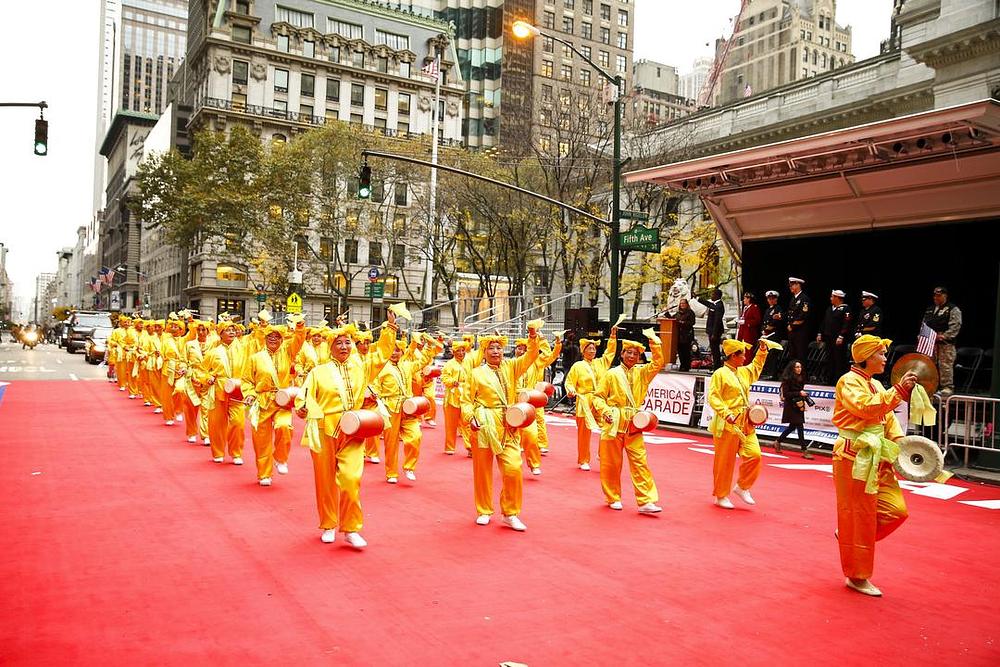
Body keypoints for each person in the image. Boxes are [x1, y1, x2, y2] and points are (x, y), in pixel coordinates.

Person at [294, 314, 399, 548]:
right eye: (338, 343)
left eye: (347, 342)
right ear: (330, 347)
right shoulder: (318, 372)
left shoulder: (361, 367)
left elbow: (381, 354)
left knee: (351, 479)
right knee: (325, 481)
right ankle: (328, 524)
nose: (343, 347)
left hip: (353, 429)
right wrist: (302, 408)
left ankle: (351, 528)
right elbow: (304, 397)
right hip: (324, 430)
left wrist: (390, 328)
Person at [832, 335, 918, 597]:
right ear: (866, 357)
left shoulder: (877, 384)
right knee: (859, 517)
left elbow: (888, 420)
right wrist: (898, 391)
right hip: (854, 456)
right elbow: (865, 408)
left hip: (878, 454)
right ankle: (857, 577)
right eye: (880, 354)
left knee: (896, 511)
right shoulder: (848, 381)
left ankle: (849, 536)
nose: (884, 359)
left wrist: (901, 444)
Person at [462, 329, 540, 530]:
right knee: (482, 470)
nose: (496, 351)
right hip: (484, 423)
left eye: (499, 347)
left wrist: (533, 337)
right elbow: (466, 401)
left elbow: (531, 355)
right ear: (484, 351)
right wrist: (470, 418)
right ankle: (484, 510)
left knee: (513, 468)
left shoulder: (511, 366)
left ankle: (510, 512)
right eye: (491, 348)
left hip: (508, 423)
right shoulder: (476, 373)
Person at [591, 332, 666, 513]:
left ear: (640, 357)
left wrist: (655, 344)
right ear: (622, 354)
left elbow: (658, 363)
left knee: (640, 461)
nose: (632, 356)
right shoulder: (612, 374)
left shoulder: (643, 372)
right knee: (611, 463)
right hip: (613, 421)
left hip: (634, 423)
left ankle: (646, 500)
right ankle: (613, 497)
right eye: (629, 352)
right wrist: (605, 411)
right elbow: (598, 397)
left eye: (636, 354)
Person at [241, 313, 306, 486]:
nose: (273, 339)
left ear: (282, 339)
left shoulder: (288, 352)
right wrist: (249, 394)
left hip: (282, 401)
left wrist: (299, 325)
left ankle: (280, 458)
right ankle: (264, 474)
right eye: (270, 336)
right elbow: (246, 380)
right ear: (265, 338)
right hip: (262, 401)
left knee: (284, 427)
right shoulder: (255, 358)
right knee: (261, 440)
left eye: (277, 336)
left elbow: (299, 339)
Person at [706, 338, 769, 509]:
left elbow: (756, 366)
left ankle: (742, 486)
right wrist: (726, 413)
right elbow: (713, 397)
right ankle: (721, 495)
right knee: (724, 462)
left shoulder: (743, 371)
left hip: (745, 422)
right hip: (728, 423)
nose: (745, 358)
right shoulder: (720, 374)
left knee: (755, 455)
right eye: (742, 355)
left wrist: (762, 350)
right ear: (733, 355)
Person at [375, 333, 440, 484]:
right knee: (391, 443)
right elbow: (375, 386)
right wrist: (376, 397)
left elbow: (423, 361)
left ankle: (409, 466)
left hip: (408, 408)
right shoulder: (381, 368)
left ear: (402, 352)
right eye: (392, 350)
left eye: (397, 350)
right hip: (390, 408)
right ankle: (391, 472)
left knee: (415, 436)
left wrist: (429, 345)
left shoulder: (407, 365)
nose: (394, 353)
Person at [564, 328, 619, 471]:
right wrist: (570, 390)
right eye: (589, 348)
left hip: (599, 399)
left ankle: (603, 453)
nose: (592, 351)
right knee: (584, 432)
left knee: (609, 424)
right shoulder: (578, 366)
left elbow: (610, 353)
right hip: (584, 400)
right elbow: (569, 382)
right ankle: (583, 459)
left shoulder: (601, 363)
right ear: (583, 351)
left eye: (594, 348)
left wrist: (613, 337)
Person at [202, 317, 252, 465]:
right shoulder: (213, 352)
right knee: (217, 423)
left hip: (237, 389)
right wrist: (208, 377)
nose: (231, 332)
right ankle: (218, 452)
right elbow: (201, 370)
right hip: (219, 390)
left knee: (238, 423)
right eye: (227, 330)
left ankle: (236, 453)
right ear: (220, 334)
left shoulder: (244, 349)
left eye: (233, 330)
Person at [514, 333, 562, 474]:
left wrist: (543, 340)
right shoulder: (510, 364)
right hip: (514, 401)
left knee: (532, 431)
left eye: (525, 349)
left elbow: (548, 355)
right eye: (519, 348)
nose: (521, 351)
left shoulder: (536, 363)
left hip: (531, 400)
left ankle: (535, 461)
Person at [923, 286, 962, 395]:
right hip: (931, 343)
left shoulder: (952, 309)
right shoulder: (930, 309)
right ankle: (931, 386)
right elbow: (924, 324)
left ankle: (947, 387)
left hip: (945, 344)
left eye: (939, 296)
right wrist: (922, 334)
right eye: (935, 295)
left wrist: (944, 336)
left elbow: (955, 326)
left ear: (945, 296)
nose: (936, 297)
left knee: (945, 366)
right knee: (930, 365)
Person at [441, 340, 475, 456]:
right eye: (458, 351)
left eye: (463, 350)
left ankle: (471, 447)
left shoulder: (469, 362)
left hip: (466, 396)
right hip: (452, 397)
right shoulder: (449, 364)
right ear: (453, 352)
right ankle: (449, 447)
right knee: (451, 424)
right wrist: (452, 382)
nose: (461, 353)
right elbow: (444, 377)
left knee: (467, 422)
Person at [774, 360, 813, 459]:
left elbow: (799, 390)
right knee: (800, 426)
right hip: (791, 405)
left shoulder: (801, 378)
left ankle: (778, 441)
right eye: (797, 367)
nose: (799, 369)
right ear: (792, 368)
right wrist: (799, 393)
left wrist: (803, 396)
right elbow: (786, 394)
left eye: (800, 367)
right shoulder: (787, 379)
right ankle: (804, 450)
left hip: (799, 404)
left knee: (792, 426)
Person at [819, 290, 852, 383]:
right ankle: (829, 378)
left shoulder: (845, 309)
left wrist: (841, 336)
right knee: (829, 358)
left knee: (839, 358)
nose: (831, 298)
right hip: (828, 337)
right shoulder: (830, 309)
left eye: (832, 297)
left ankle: (839, 379)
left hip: (838, 338)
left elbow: (846, 323)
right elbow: (824, 321)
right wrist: (820, 333)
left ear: (838, 298)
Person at [697, 288, 725, 369]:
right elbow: (708, 304)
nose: (711, 296)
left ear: (717, 296)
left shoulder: (719, 305)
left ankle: (717, 367)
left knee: (715, 350)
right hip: (711, 331)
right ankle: (715, 366)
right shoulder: (715, 304)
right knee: (714, 350)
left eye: (713, 294)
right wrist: (697, 298)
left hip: (715, 332)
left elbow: (717, 321)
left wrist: (714, 333)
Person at [786, 277, 811, 363]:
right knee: (792, 355)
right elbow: (790, 314)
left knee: (800, 355)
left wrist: (792, 325)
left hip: (800, 332)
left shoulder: (804, 299)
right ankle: (793, 371)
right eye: (790, 285)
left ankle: (801, 372)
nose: (790, 287)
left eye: (792, 285)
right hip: (792, 332)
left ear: (798, 285)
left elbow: (803, 316)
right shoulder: (793, 299)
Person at [674, 298, 696, 371]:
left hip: (687, 334)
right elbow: (673, 320)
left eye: (683, 303)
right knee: (680, 351)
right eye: (681, 303)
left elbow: (692, 322)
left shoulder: (690, 312)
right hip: (679, 334)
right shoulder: (678, 313)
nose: (682, 305)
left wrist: (683, 322)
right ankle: (682, 364)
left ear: (687, 304)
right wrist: (666, 314)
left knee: (686, 350)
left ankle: (686, 366)